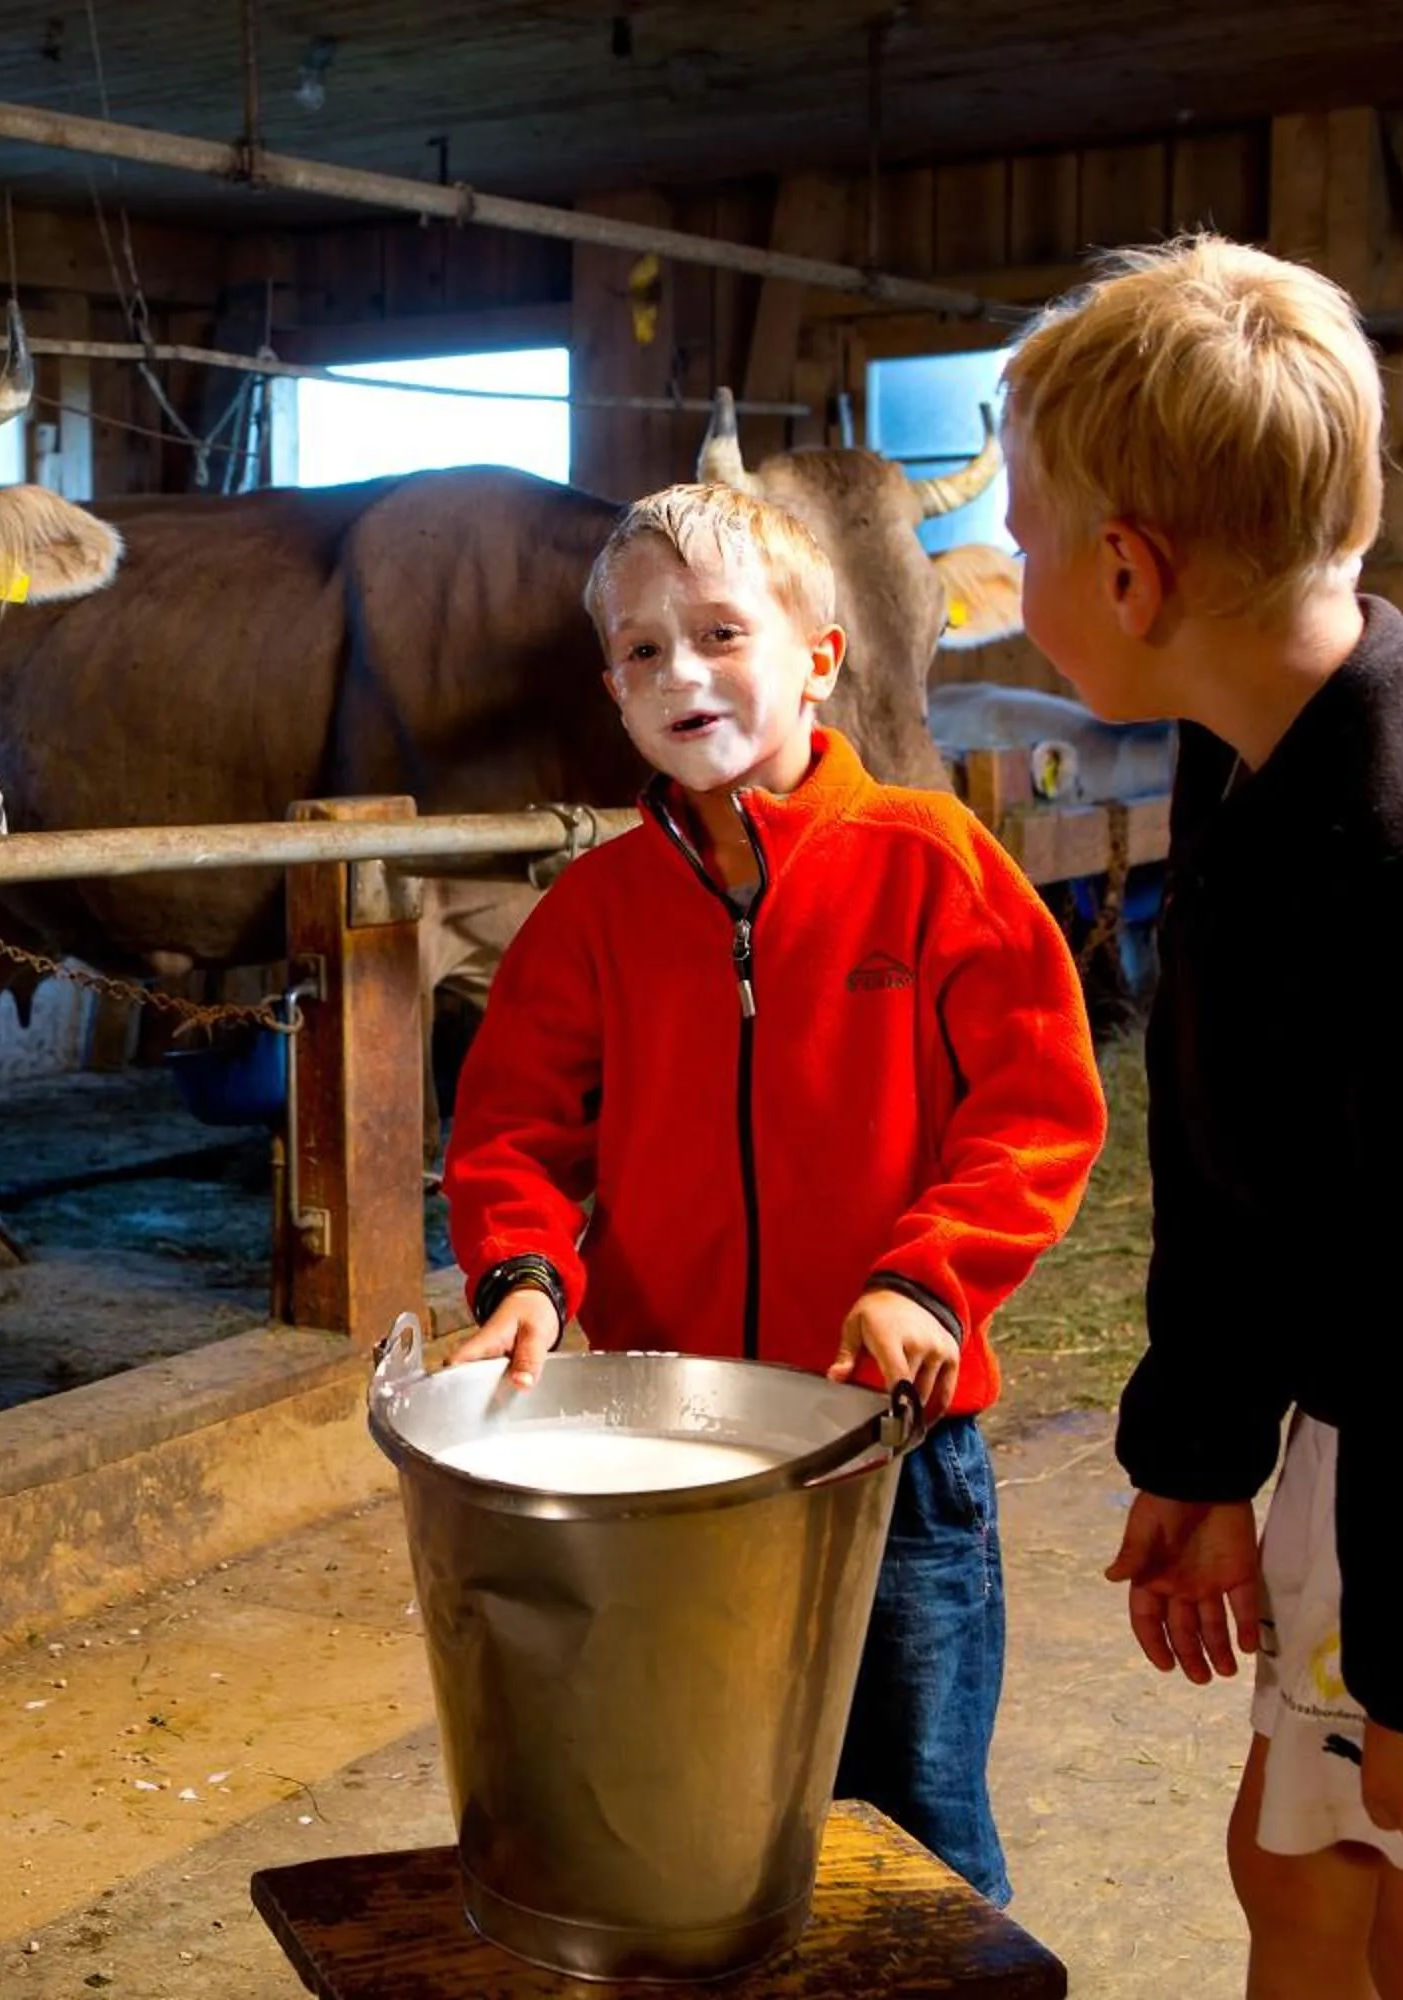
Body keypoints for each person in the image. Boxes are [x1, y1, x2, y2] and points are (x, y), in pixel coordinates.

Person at [1010, 235, 1403, 1997]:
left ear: (1130, 572)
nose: (1019, 579)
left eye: (1026, 539)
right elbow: (1222, 1148)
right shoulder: (1252, 740)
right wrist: (1203, 1453)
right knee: (1297, 1884)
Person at [441, 480, 1106, 1902]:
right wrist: (523, 1277)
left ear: (818, 654)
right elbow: (512, 1133)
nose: (680, 673)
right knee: (696, 1801)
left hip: (891, 1448)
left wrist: (929, 1274)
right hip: (668, 1455)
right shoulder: (593, 917)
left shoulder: (935, 868)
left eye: (720, 633)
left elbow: (1040, 1108)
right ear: (610, 687)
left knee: (915, 1817)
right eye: (639, 651)